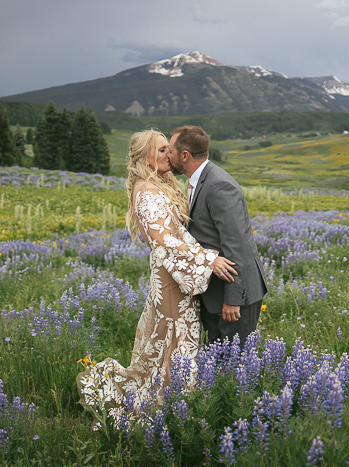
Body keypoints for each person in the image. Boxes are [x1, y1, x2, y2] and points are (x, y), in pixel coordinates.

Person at [76, 129, 236, 422]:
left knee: (172, 339)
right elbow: (163, 240)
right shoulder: (146, 192)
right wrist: (208, 259)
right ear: (144, 157)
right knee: (175, 338)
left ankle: (174, 401)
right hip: (169, 276)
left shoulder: (159, 183)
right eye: (161, 150)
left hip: (172, 273)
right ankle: (170, 410)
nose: (169, 155)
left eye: (169, 149)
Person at [167, 125, 268, 347]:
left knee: (234, 364)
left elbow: (237, 245)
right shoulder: (199, 181)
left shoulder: (219, 185)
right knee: (219, 358)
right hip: (215, 291)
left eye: (170, 151)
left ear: (185, 156)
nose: (167, 156)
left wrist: (233, 300)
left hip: (234, 296)